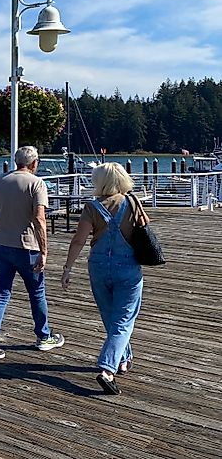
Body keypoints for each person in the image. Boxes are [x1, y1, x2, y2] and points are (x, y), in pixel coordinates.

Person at [61, 162, 149, 395]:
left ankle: (123, 357)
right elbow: (145, 227)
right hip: (127, 266)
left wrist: (67, 268)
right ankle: (107, 368)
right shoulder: (131, 202)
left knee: (111, 317)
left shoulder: (91, 206)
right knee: (124, 319)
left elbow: (78, 240)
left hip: (98, 266)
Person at [0, 146, 65, 359]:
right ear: (35, 163)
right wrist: (44, 251)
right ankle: (43, 337)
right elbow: (39, 219)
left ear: (16, 162)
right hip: (28, 247)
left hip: (0, 244)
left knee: (2, 292)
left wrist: (2, 228)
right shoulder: (37, 183)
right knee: (36, 292)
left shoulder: (0, 180)